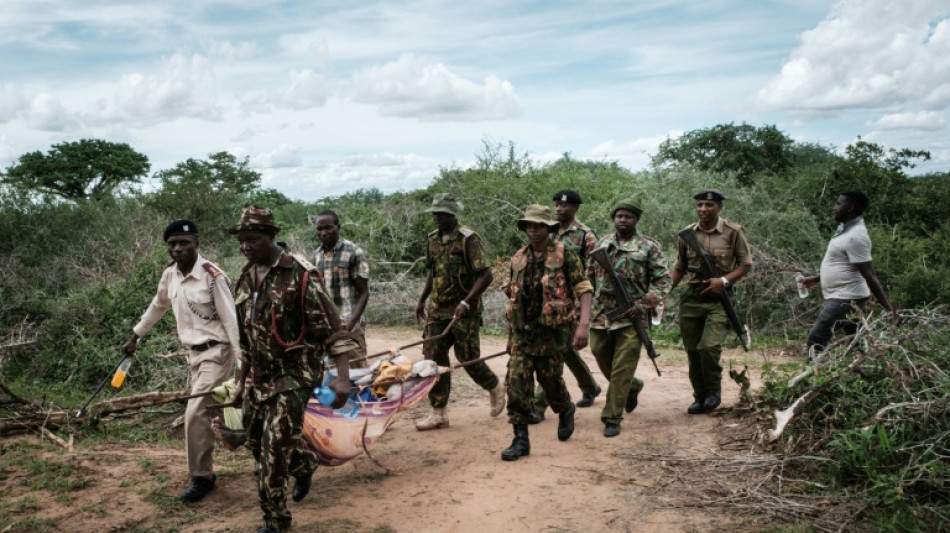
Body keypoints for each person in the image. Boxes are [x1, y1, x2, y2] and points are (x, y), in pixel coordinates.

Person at [229, 206, 358, 533]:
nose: (246, 246)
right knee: (254, 439)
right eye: (242, 241)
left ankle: (275, 521)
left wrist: (342, 379)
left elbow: (334, 330)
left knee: (271, 453)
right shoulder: (244, 277)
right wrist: (239, 382)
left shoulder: (302, 275)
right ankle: (305, 463)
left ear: (271, 237)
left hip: (294, 376)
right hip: (260, 376)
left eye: (252, 240)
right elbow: (246, 338)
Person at [122, 220, 238, 503]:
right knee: (216, 412)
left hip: (218, 351)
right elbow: (158, 305)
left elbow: (231, 320)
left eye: (183, 243)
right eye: (172, 244)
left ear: (196, 243)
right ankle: (257, 447)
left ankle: (202, 477)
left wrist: (243, 360)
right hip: (193, 355)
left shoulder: (213, 276)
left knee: (195, 413)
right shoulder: (170, 276)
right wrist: (136, 334)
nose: (177, 249)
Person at [501, 205, 593, 460]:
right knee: (517, 385)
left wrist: (583, 326)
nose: (533, 230)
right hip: (523, 333)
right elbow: (513, 299)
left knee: (551, 382)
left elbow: (584, 289)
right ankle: (520, 441)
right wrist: (510, 338)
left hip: (552, 334)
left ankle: (565, 409)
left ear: (548, 228)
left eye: (538, 225)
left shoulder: (565, 255)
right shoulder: (518, 257)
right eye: (529, 225)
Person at [414, 193, 506, 431]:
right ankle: (438, 413)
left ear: (453, 215)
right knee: (433, 359)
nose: (437, 217)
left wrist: (466, 302)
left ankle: (494, 386)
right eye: (435, 213)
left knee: (468, 358)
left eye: (442, 213)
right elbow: (432, 272)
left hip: (464, 310)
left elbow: (486, 275)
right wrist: (422, 300)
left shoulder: (468, 239)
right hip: (438, 309)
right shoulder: (432, 240)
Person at [587, 199, 671, 437]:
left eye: (628, 217)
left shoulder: (648, 247)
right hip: (602, 314)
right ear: (614, 218)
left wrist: (644, 303)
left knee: (623, 366)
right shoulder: (602, 243)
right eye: (619, 216)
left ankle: (612, 416)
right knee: (599, 353)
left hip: (632, 316)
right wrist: (584, 301)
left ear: (636, 220)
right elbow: (589, 275)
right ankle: (632, 387)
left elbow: (663, 280)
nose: (623, 220)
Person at [670, 189, 752, 415]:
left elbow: (745, 265)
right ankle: (700, 396)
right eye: (700, 205)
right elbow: (680, 267)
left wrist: (723, 281)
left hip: (719, 298)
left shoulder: (732, 232)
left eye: (709, 205)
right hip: (692, 297)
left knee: (709, 347)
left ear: (719, 207)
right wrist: (663, 292)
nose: (703, 209)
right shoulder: (687, 234)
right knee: (693, 351)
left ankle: (713, 392)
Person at [528, 190, 602, 424]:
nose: (560, 209)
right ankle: (590, 386)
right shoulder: (546, 231)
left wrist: (584, 310)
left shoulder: (585, 235)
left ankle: (539, 405)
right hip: (548, 302)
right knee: (565, 349)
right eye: (557, 206)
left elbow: (593, 272)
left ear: (575, 208)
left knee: (554, 353)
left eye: (565, 206)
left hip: (572, 302)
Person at [802, 191, 893, 356]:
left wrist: (888, 308)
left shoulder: (856, 236)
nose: (834, 208)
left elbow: (869, 274)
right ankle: (863, 373)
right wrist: (816, 278)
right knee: (856, 341)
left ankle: (810, 379)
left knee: (816, 339)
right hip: (848, 296)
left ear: (850, 207)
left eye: (838, 204)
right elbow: (844, 264)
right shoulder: (845, 229)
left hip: (846, 298)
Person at [313, 209, 370, 366]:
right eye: (319, 229)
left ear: (338, 227)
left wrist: (350, 324)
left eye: (328, 228)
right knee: (331, 376)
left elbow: (364, 293)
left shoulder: (353, 252)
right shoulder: (317, 255)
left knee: (356, 374)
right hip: (327, 327)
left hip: (350, 325)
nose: (323, 233)